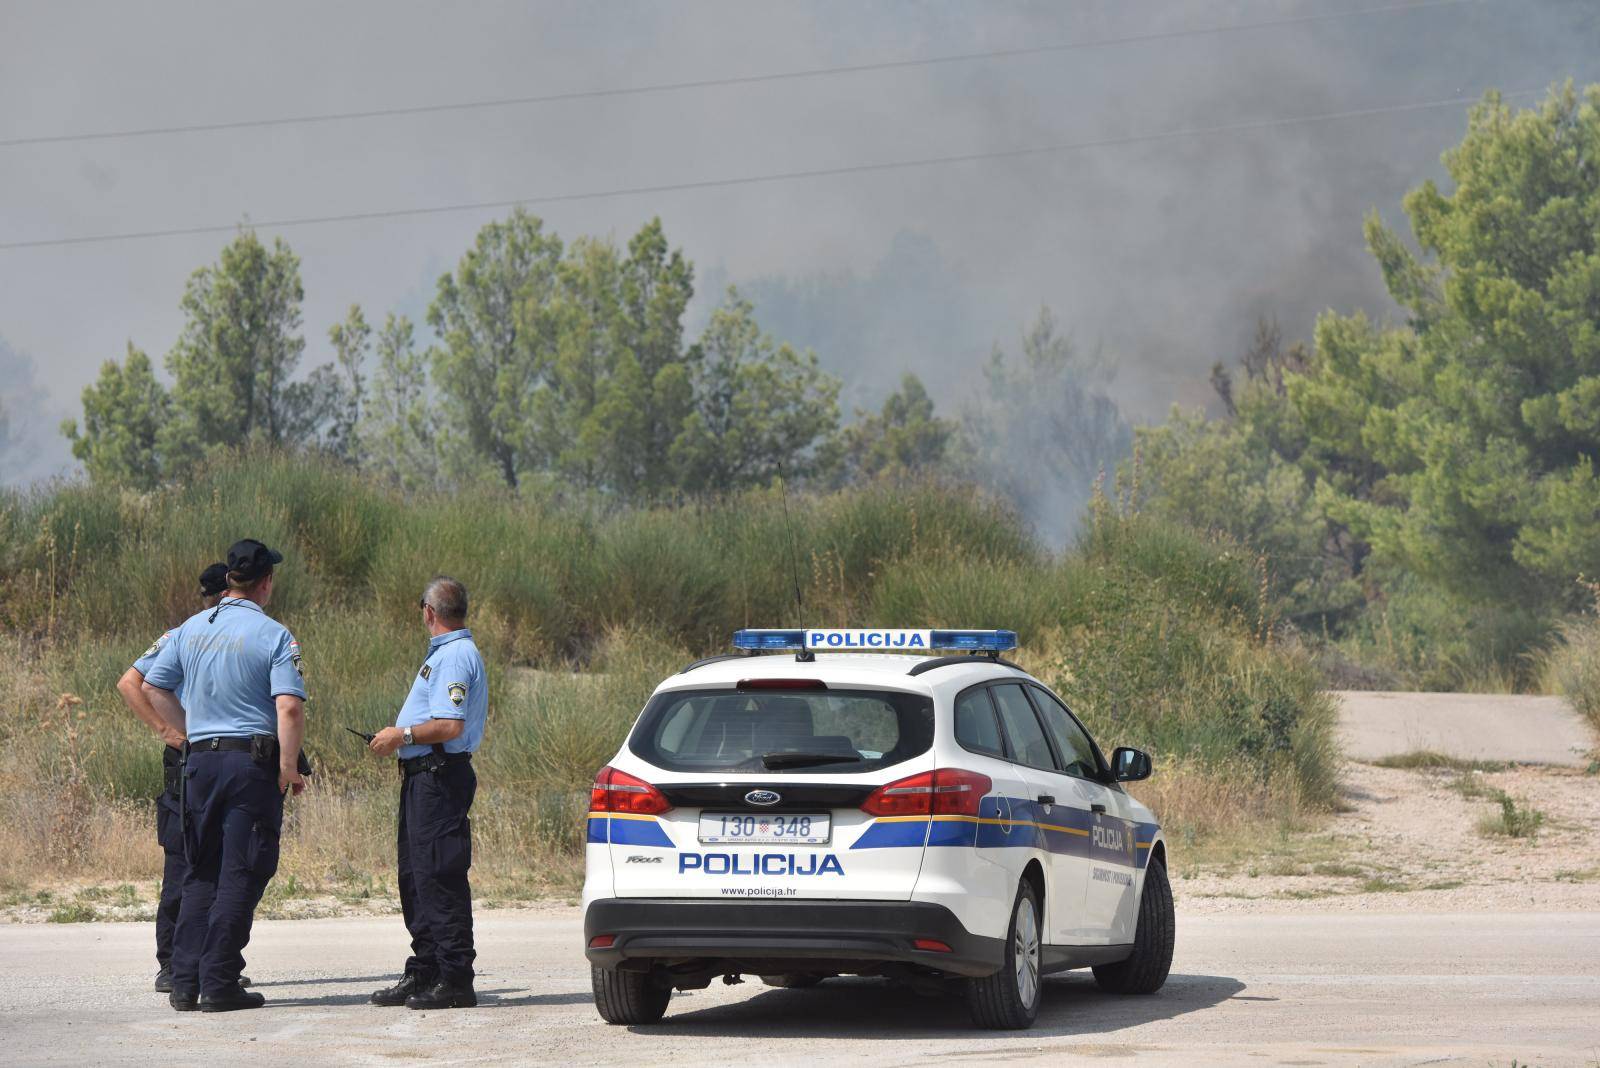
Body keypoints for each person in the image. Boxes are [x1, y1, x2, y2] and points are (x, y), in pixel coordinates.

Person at [142, 539, 306, 1013]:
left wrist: (191, 734)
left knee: (200, 871)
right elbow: (289, 707)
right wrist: (288, 766)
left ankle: (184, 980)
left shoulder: (191, 628)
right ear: (266, 583)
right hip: (248, 766)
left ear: (230, 579)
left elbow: (152, 685)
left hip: (200, 764)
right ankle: (219, 982)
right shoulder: (274, 634)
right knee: (242, 870)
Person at [114, 562, 245, 995]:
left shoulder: (219, 636)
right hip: (189, 761)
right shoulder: (182, 635)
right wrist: (170, 732)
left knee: (216, 862)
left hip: (215, 760)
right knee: (184, 862)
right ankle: (173, 962)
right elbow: (130, 683)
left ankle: (207, 960)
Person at [367, 576, 487, 1011]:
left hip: (439, 777)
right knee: (416, 877)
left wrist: (400, 735)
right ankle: (427, 969)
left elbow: (450, 725)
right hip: (423, 777)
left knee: (439, 875)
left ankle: (455, 977)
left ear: (429, 611)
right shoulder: (445, 654)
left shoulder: (454, 656)